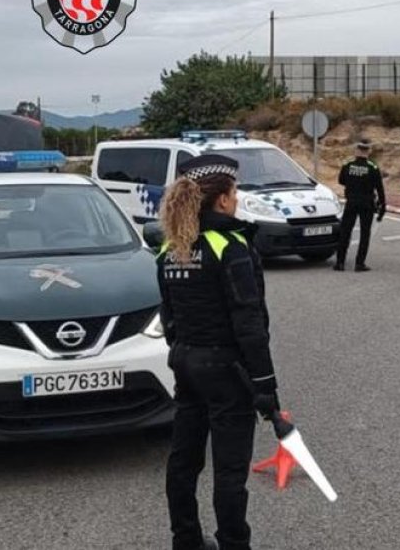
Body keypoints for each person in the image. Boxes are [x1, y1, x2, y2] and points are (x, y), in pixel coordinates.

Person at [156, 153, 279, 550]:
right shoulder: (230, 245)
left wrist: (183, 349)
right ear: (222, 199)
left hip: (187, 363)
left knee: (184, 460)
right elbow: (250, 321)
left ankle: (186, 540)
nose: (238, 199)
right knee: (229, 470)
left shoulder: (172, 248)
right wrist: (265, 384)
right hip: (226, 369)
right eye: (235, 192)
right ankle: (233, 542)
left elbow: (168, 316)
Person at [333, 140, 387, 272]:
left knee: (345, 232)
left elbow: (341, 180)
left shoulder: (348, 165)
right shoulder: (372, 167)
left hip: (351, 202)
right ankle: (359, 263)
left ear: (357, 150)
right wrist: (383, 205)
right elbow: (379, 188)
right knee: (364, 233)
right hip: (367, 203)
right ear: (368, 151)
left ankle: (340, 262)